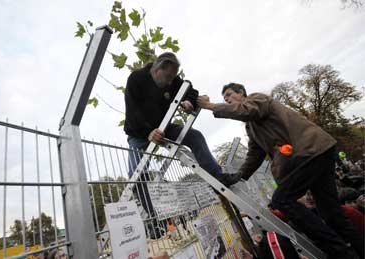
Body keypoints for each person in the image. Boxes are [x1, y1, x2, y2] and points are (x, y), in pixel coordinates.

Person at [197, 83, 364, 259]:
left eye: (230, 95)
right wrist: (239, 176)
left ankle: (340, 253)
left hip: (309, 153)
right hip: (315, 153)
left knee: (282, 200)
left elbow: (246, 110)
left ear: (241, 93)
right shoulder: (251, 126)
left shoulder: (257, 99)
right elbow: (256, 153)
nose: (227, 100)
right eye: (225, 99)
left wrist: (211, 106)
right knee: (332, 215)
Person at [124, 53, 235, 237]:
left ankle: (218, 177)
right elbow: (133, 111)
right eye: (167, 77)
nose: (169, 83)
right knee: (136, 176)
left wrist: (189, 100)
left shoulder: (172, 80)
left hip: (163, 126)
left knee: (195, 136)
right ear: (157, 70)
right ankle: (155, 217)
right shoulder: (137, 79)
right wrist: (147, 132)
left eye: (172, 78)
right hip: (139, 132)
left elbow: (189, 88)